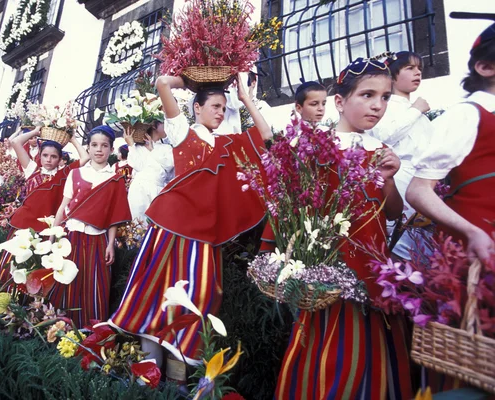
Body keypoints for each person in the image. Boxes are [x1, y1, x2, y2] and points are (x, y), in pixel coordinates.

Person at [109, 74, 272, 382]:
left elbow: (265, 137)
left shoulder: (227, 143)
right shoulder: (182, 131)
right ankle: (148, 374)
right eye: (214, 106)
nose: (220, 112)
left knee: (199, 300)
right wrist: (181, 78)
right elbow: (160, 85)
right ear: (196, 108)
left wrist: (246, 98)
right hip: (169, 230)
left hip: (204, 238)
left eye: (224, 108)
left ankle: (176, 377)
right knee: (154, 294)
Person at [275, 55, 413, 400]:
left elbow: (392, 212)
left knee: (374, 345)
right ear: (340, 101)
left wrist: (389, 180)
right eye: (367, 95)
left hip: (374, 264)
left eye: (384, 97)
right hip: (333, 270)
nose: (377, 105)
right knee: (334, 350)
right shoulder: (319, 147)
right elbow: (301, 208)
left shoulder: (381, 150)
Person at [407, 20, 495, 264]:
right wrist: (472, 232)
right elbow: (418, 190)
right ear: (486, 67)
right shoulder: (468, 115)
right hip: (480, 247)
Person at [48, 126, 131, 326]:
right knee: (67, 279)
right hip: (71, 237)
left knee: (96, 284)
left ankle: (91, 329)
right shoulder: (75, 174)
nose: (99, 150)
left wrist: (111, 244)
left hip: (98, 239)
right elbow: (63, 207)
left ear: (111, 150)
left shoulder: (115, 179)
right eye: (94, 145)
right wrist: (53, 234)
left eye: (104, 146)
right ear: (88, 147)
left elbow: (114, 216)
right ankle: (61, 326)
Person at [0, 127, 89, 285]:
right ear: (39, 155)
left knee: (38, 270)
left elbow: (85, 157)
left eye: (53, 156)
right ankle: (6, 296)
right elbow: (16, 142)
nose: (49, 160)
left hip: (47, 229)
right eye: (45, 155)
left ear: (59, 159)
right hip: (24, 226)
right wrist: (36, 131)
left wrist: (72, 139)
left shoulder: (65, 173)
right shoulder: (32, 169)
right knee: (15, 266)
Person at [370, 51, 433, 260]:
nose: (418, 73)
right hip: (400, 178)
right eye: (410, 68)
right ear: (393, 75)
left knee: (425, 244)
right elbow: (384, 134)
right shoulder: (388, 106)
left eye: (420, 69)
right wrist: (416, 110)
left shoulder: (416, 109)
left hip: (425, 178)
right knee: (403, 241)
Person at [260, 80, 328, 253]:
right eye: (314, 104)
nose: (320, 108)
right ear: (298, 107)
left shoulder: (327, 135)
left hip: (319, 203)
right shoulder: (291, 137)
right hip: (294, 202)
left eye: (323, 103)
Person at [124, 121, 174, 224]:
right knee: (138, 223)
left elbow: (169, 166)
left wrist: (153, 150)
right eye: (164, 123)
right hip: (138, 190)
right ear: (154, 126)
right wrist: (131, 145)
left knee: (157, 225)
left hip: (158, 190)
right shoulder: (138, 148)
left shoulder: (166, 148)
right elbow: (137, 165)